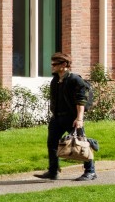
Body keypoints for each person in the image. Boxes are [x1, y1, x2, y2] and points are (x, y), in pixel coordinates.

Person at [33, 52, 97, 182]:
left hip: (72, 118)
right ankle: (53, 171)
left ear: (64, 64)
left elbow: (81, 101)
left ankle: (90, 172)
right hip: (57, 118)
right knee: (52, 143)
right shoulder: (55, 80)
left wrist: (79, 119)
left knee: (81, 144)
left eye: (54, 64)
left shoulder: (75, 80)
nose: (52, 66)